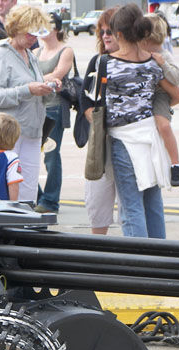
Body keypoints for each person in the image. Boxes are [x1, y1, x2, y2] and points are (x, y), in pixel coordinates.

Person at [84, 3, 179, 239]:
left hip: (122, 140)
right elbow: (177, 95)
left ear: (118, 34)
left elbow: (90, 102)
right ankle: (161, 255)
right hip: (150, 137)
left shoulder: (105, 63)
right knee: (152, 203)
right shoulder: (152, 63)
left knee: (131, 207)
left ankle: (140, 261)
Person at [0, 5, 60, 204]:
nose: (34, 37)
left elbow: (35, 93)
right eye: (30, 32)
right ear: (16, 28)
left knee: (28, 188)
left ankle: (25, 229)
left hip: (32, 131)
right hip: (7, 133)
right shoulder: (0, 53)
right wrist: (28, 90)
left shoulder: (31, 55)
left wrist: (49, 88)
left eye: (38, 32)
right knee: (5, 188)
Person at [82, 7, 119, 234]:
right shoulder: (98, 61)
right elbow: (84, 101)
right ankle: (98, 252)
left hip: (126, 142)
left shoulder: (139, 62)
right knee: (96, 202)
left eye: (111, 31)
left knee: (130, 209)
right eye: (102, 31)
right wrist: (98, 122)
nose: (105, 35)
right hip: (100, 144)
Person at [34, 13, 73, 214]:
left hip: (55, 106)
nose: (41, 31)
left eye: (46, 26)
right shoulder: (37, 51)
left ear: (56, 29)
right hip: (38, 105)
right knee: (31, 153)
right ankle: (38, 196)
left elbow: (58, 74)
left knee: (51, 154)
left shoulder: (65, 51)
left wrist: (35, 80)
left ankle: (50, 200)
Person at [142, 13, 179, 187]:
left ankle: (176, 164)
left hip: (159, 93)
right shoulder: (138, 51)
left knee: (164, 126)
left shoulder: (163, 55)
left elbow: (176, 78)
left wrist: (163, 64)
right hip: (142, 92)